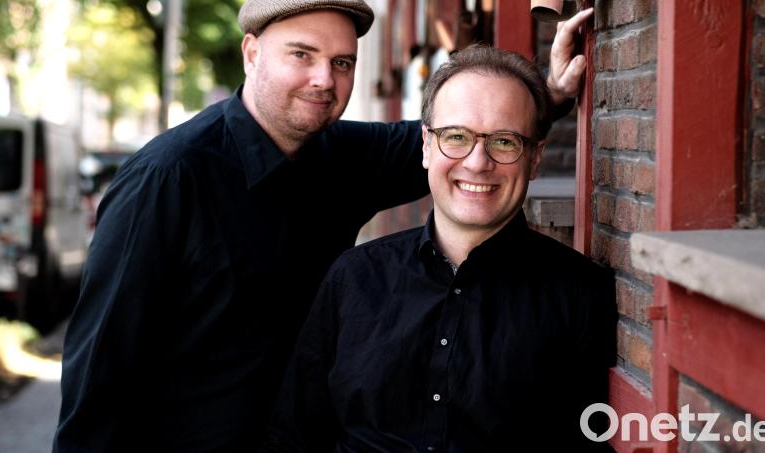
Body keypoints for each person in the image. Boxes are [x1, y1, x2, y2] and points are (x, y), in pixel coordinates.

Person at [53, 0, 594, 450]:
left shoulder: (340, 156)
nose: (323, 79)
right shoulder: (168, 178)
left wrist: (548, 91)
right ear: (251, 53)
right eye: (302, 55)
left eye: (342, 62)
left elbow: (467, 140)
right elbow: (98, 370)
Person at [263, 45, 617, 452]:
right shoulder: (354, 278)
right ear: (426, 146)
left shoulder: (580, 293)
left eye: (504, 142)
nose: (477, 162)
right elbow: (290, 438)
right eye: (456, 137)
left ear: (535, 158)